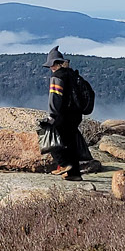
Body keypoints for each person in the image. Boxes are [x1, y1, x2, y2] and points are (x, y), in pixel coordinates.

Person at [44, 47, 94, 181]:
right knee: (71, 142)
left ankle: (65, 164)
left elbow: (55, 97)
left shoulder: (57, 77)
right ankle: (75, 174)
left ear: (55, 64)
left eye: (51, 65)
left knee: (52, 138)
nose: (50, 68)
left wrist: (52, 115)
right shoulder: (72, 74)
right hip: (76, 114)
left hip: (63, 114)